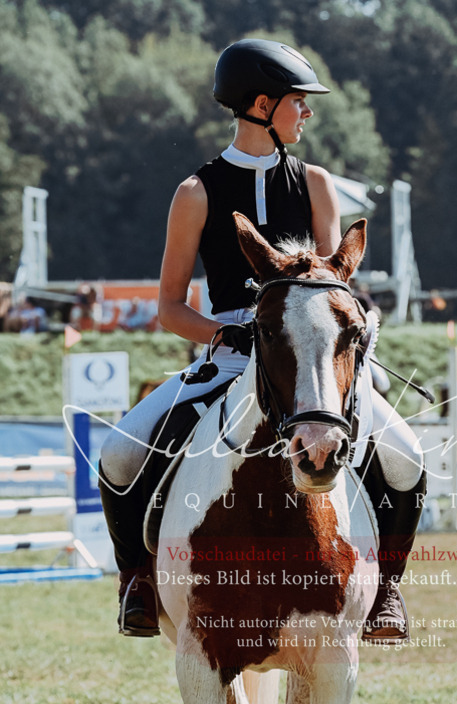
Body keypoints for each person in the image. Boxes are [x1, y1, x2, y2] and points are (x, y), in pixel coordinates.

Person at [99, 38, 425, 641]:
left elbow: (335, 283)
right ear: (260, 104)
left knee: (407, 457)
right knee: (119, 455)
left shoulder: (318, 184)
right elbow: (170, 306)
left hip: (315, 366)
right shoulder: (196, 193)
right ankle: (138, 581)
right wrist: (228, 332)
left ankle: (387, 591)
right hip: (229, 360)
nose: (308, 113)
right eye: (299, 102)